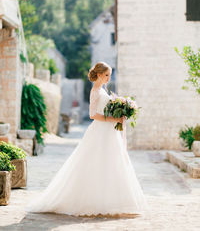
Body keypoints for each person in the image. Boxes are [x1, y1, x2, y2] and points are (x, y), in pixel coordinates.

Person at [25, 62, 147, 218]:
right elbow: (92, 115)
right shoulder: (95, 91)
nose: (109, 78)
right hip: (100, 131)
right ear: (99, 75)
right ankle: (90, 201)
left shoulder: (103, 90)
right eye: (106, 75)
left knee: (112, 163)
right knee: (94, 163)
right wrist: (113, 119)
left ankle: (111, 200)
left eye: (109, 75)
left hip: (109, 132)